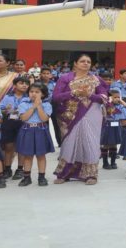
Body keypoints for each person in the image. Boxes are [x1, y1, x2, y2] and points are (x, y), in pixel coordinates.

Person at [51, 54, 109, 185]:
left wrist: (89, 95)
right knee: (69, 143)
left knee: (91, 142)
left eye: (88, 61)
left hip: (92, 114)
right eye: (82, 61)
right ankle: (64, 173)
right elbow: (56, 97)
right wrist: (74, 92)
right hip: (70, 116)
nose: (86, 63)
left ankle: (91, 174)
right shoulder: (65, 78)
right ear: (75, 63)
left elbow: (104, 97)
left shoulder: (96, 79)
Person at [15, 82, 55, 187]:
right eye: (31, 91)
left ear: (43, 94)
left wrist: (39, 106)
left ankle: (41, 177)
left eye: (37, 92)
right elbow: (24, 118)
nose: (33, 94)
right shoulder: (23, 104)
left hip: (40, 130)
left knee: (41, 155)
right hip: (27, 130)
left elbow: (44, 118)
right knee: (27, 155)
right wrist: (33, 107)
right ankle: (26, 177)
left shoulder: (47, 105)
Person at [0, 77, 29, 180]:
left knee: (21, 147)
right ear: (15, 85)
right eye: (21, 83)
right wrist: (6, 110)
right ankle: (7, 169)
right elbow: (1, 109)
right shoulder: (7, 96)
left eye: (26, 84)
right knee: (9, 146)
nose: (24, 85)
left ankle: (20, 169)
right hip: (9, 122)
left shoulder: (29, 97)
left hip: (24, 123)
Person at [100, 89, 124, 170]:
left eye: (118, 97)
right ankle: (105, 163)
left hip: (117, 126)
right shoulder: (104, 105)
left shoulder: (120, 105)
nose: (117, 99)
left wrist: (121, 101)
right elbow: (109, 112)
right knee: (106, 144)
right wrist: (109, 102)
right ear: (109, 97)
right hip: (107, 126)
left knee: (114, 144)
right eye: (115, 97)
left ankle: (113, 162)